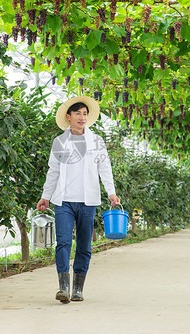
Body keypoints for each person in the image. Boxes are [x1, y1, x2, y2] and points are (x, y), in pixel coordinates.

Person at [37, 96, 120, 303]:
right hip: (63, 201)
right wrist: (45, 197)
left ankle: (78, 289)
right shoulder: (59, 142)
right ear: (68, 116)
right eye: (78, 113)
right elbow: (53, 171)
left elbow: (104, 168)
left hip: (87, 201)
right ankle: (63, 287)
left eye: (85, 113)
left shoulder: (96, 141)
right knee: (63, 243)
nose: (82, 117)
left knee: (84, 246)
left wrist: (111, 192)